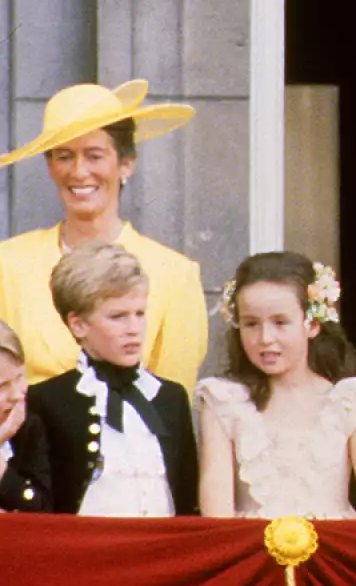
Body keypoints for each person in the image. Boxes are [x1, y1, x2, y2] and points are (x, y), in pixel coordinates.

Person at [0, 81, 206, 388]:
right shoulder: (9, 263)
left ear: (126, 164)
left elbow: (171, 408)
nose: (79, 172)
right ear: (50, 166)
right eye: (64, 156)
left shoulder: (175, 274)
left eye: (95, 155)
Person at [196, 252, 356, 519]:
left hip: (331, 551)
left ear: (312, 324)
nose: (265, 338)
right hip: (251, 550)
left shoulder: (351, 401)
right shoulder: (223, 402)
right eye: (251, 324)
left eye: (280, 323)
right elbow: (216, 510)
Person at [27, 242, 198, 516]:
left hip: (164, 553)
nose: (133, 329)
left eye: (139, 314)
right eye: (117, 317)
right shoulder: (46, 401)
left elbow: (188, 498)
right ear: (78, 324)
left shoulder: (169, 398)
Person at [0, 319, 49, 511]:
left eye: (20, 377)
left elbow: (40, 508)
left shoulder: (28, 426)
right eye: (2, 386)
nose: (16, 395)